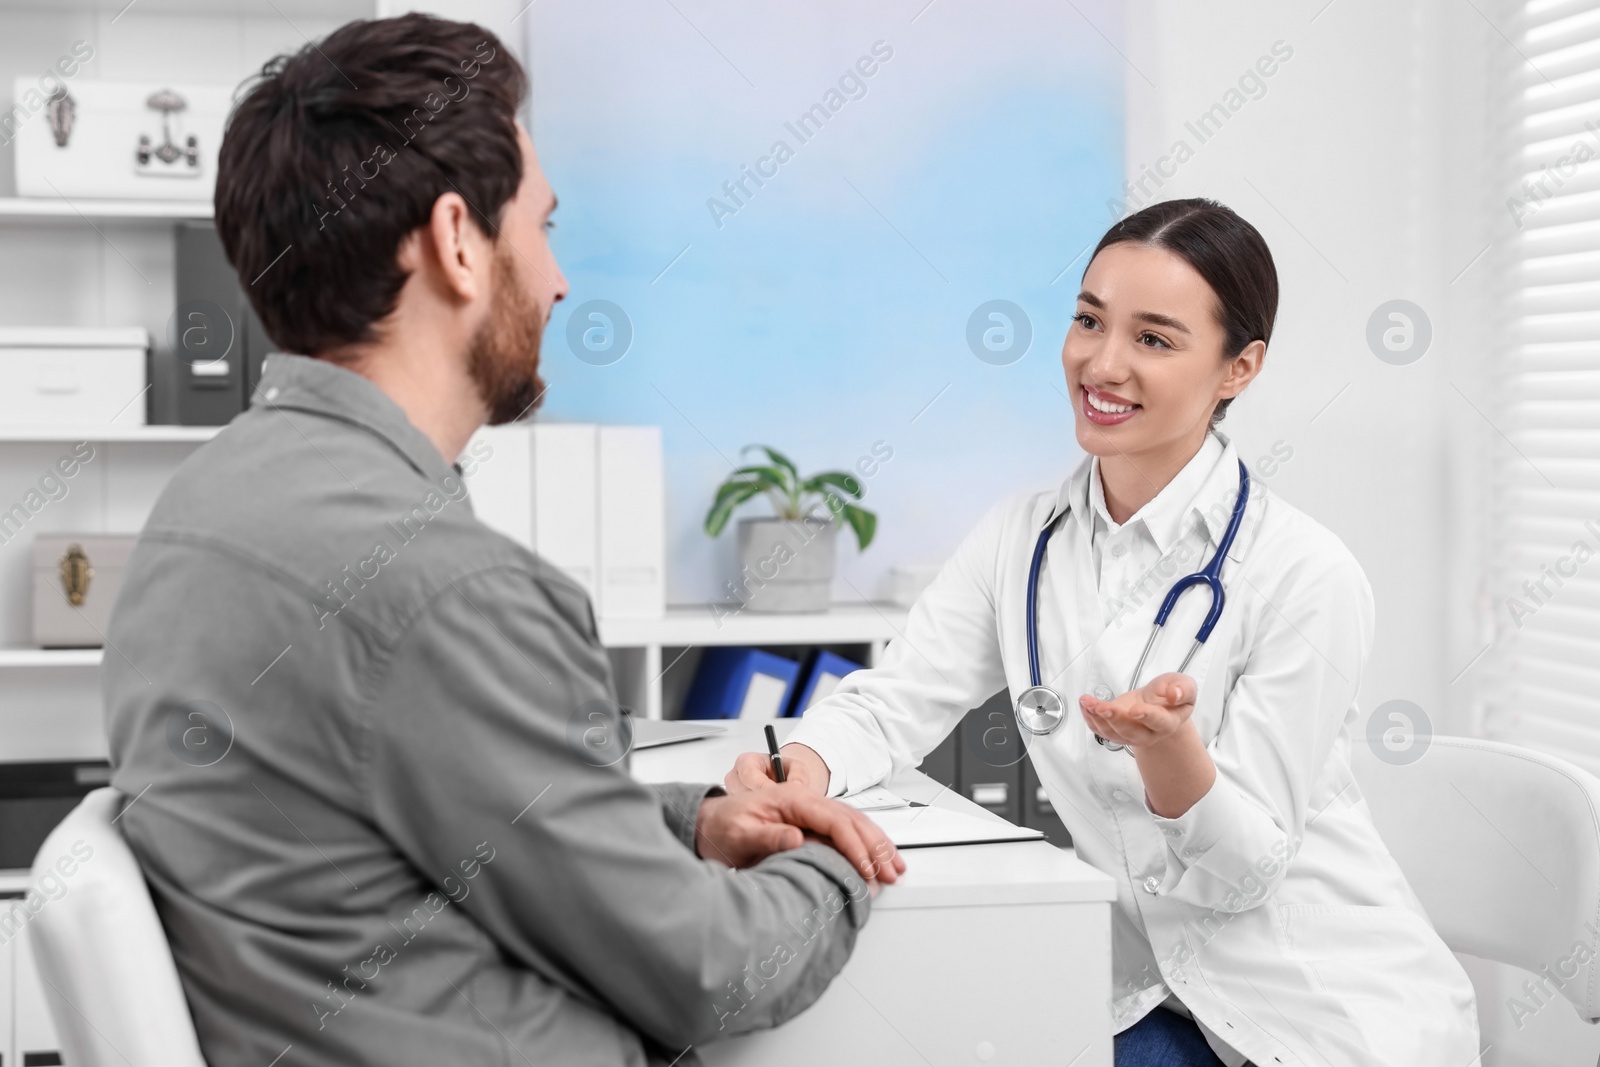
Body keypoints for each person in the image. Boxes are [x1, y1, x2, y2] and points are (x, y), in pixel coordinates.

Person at [102, 14, 901, 1067]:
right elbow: (710, 967)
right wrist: (838, 858)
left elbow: (420, 827)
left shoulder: (195, 508)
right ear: (458, 240)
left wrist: (691, 820)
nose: (560, 279)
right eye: (545, 224)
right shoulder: (441, 586)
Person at [726, 199, 1479, 1066]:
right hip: (1140, 990)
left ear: (1239, 367)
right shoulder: (1022, 537)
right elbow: (896, 700)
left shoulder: (1307, 573)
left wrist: (1171, 756)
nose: (1102, 363)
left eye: (1154, 339)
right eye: (1089, 320)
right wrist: (795, 773)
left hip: (1315, 1008)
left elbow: (1246, 872)